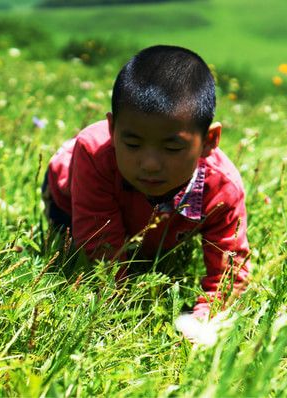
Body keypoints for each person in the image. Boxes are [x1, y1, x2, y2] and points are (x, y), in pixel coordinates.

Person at [42, 45, 250, 320]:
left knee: (149, 249)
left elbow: (231, 270)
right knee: (75, 248)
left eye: (172, 148)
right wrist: (121, 304)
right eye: (132, 143)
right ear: (113, 130)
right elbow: (99, 242)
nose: (150, 163)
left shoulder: (222, 188)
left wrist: (205, 319)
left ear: (209, 141)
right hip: (70, 198)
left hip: (159, 216)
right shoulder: (94, 154)